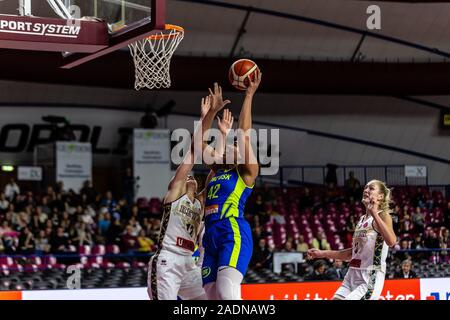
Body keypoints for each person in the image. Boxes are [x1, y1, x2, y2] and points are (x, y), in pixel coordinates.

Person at [147, 95, 225, 300]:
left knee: (211, 297)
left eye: (192, 176)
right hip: (168, 260)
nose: (189, 176)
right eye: (185, 176)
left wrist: (224, 136)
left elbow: (218, 171)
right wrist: (205, 117)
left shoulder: (199, 204)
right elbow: (192, 153)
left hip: (188, 264)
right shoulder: (174, 196)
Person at [200, 75, 261, 300]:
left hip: (232, 232)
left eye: (235, 146)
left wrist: (248, 95)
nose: (232, 146)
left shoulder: (246, 173)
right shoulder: (217, 170)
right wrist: (211, 113)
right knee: (211, 296)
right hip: (210, 236)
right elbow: (200, 145)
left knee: (228, 293)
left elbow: (244, 134)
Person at [307, 180, 397, 300]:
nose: (366, 190)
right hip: (352, 274)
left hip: (369, 276)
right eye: (365, 188)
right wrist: (321, 253)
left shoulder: (383, 215)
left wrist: (374, 212)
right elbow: (351, 254)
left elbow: (391, 241)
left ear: (380, 196)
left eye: (371, 188)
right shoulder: (361, 219)